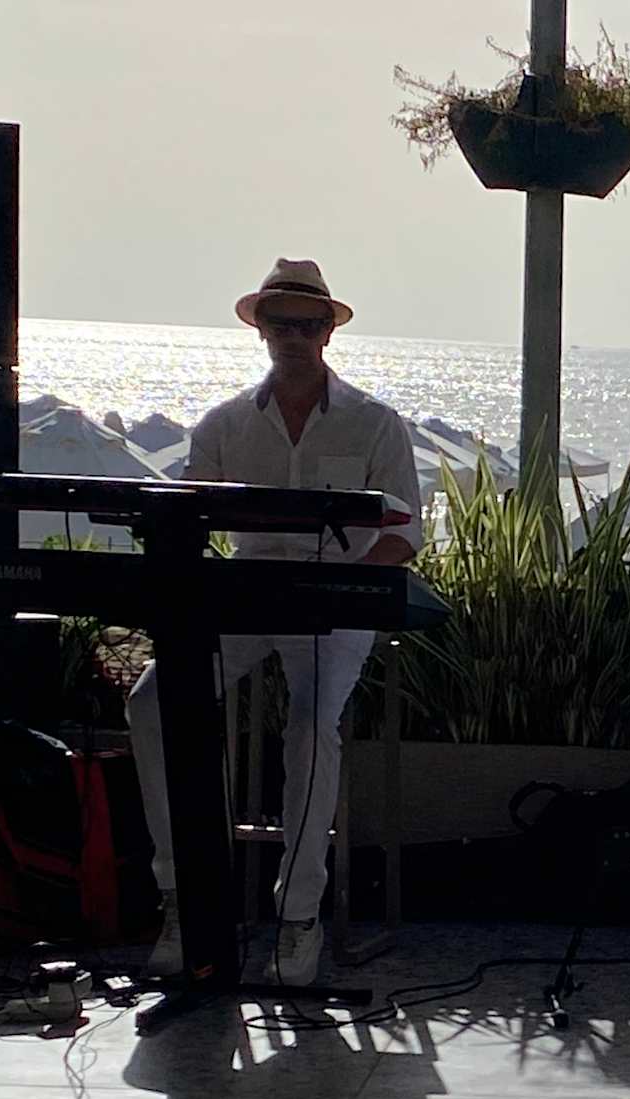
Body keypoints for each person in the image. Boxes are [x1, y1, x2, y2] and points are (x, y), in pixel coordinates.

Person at [128, 259, 421, 985]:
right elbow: (187, 524)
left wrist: (341, 587)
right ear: (259, 328)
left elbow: (404, 535)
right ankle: (183, 900)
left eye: (307, 323)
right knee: (151, 703)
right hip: (246, 596)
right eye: (279, 321)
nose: (293, 335)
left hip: (336, 602)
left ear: (327, 332)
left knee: (311, 724)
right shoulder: (223, 423)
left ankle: (299, 917)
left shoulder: (375, 422)